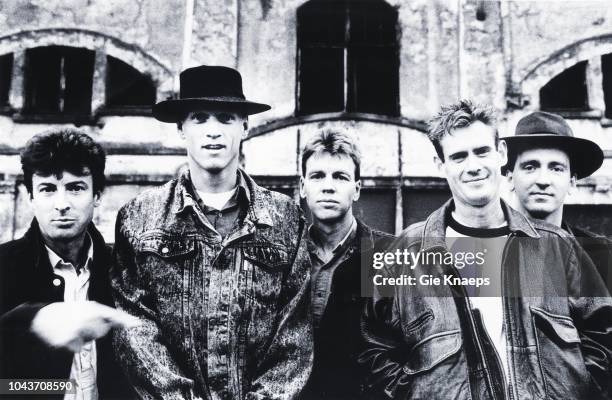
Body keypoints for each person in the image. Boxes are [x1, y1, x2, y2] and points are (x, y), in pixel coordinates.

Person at [360, 100, 612, 399]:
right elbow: (371, 350)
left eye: (481, 151)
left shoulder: (558, 245)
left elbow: (604, 336)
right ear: (441, 166)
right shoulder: (402, 252)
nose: (473, 166)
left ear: (501, 154)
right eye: (458, 156)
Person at [111, 65, 313, 400]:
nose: (213, 131)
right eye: (200, 118)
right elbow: (134, 329)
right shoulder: (139, 217)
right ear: (181, 129)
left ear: (245, 126)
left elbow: (293, 337)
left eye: (225, 117)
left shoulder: (284, 218)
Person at [0, 129, 137, 400]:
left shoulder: (125, 269)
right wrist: (33, 321)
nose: (61, 204)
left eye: (75, 188)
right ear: (30, 197)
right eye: (48, 189)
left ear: (97, 196)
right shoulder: (3, 266)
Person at [298, 130, 394, 399]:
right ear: (302, 187)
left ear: (357, 189)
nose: (328, 186)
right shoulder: (285, 258)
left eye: (340, 176)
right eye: (317, 176)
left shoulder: (389, 255)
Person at [504, 111, 612, 288]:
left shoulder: (602, 254)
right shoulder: (486, 248)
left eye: (556, 168)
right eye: (530, 167)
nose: (543, 181)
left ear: (572, 182)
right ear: (510, 178)